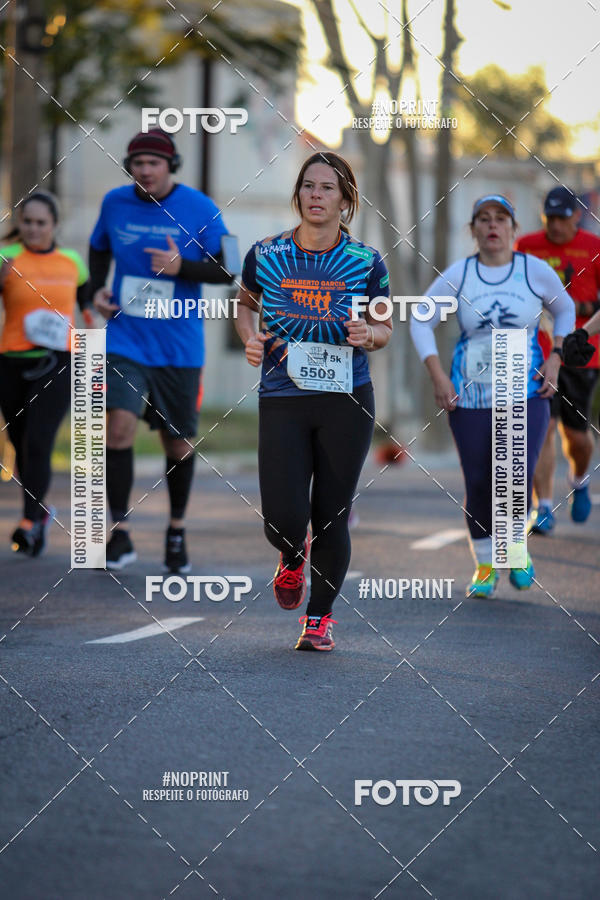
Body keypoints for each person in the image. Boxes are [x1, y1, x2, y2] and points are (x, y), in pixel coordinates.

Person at [235, 151, 392, 651]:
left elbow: (386, 327)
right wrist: (250, 339)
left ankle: (319, 620)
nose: (316, 195)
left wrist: (369, 333)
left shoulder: (367, 262)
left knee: (331, 512)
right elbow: (244, 307)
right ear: (297, 193)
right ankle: (290, 555)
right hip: (283, 397)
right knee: (282, 519)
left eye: (328, 188)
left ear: (346, 200)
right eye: (308, 186)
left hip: (346, 400)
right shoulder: (265, 253)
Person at [411, 194, 575, 598]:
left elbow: (566, 311)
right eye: (483, 219)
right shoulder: (460, 275)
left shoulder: (532, 271)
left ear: (513, 229)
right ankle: (485, 565)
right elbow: (420, 318)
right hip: (469, 395)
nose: (492, 226)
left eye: (501, 218)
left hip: (526, 391)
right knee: (481, 479)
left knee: (516, 475)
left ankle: (516, 551)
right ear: (473, 231)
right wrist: (437, 376)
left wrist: (555, 358)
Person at [90, 128, 234, 571]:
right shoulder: (115, 202)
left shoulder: (200, 208)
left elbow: (228, 269)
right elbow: (98, 250)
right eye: (138, 163)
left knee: (177, 444)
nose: (145, 170)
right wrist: (95, 290)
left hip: (178, 346)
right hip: (125, 338)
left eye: (154, 162)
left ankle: (175, 530)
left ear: (171, 165)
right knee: (117, 429)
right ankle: (120, 531)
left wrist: (182, 266)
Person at [0, 191, 90, 556]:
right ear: (19, 225)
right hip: (11, 360)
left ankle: (29, 522)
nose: (34, 229)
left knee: (38, 441)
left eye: (41, 223)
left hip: (59, 361)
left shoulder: (72, 261)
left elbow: (87, 307)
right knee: (21, 444)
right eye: (28, 222)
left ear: (54, 225)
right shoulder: (7, 258)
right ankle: (39, 511)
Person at [515, 186, 600, 533]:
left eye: (562, 218)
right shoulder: (527, 246)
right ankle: (544, 507)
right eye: (549, 218)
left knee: (576, 436)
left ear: (576, 216)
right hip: (538, 349)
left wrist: (578, 316)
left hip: (581, 352)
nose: (555, 226)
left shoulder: (594, 248)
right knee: (543, 427)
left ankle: (579, 480)